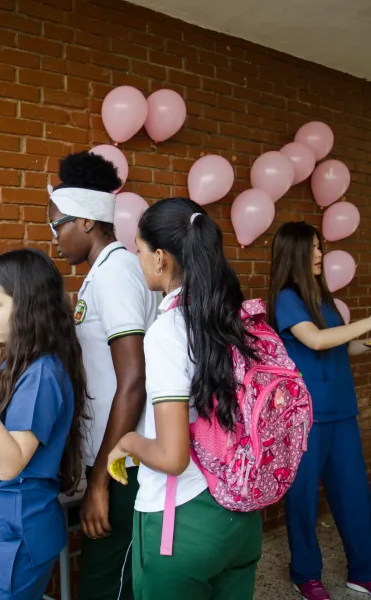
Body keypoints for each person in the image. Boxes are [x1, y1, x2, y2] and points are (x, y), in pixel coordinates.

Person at [107, 198, 263, 600]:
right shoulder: (235, 318)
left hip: (182, 525)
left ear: (160, 258)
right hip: (240, 516)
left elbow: (172, 457)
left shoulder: (169, 330)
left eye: (139, 250)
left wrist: (127, 442)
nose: (138, 260)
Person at [268, 221, 371, 600]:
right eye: (312, 247)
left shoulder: (323, 299)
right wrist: (368, 322)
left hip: (342, 412)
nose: (319, 254)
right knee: (303, 500)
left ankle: (364, 571)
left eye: (319, 246)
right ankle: (305, 573)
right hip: (306, 418)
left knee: (354, 495)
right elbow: (315, 340)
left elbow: (342, 347)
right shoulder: (286, 299)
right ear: (293, 252)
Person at [48, 151, 159, 600]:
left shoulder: (115, 274)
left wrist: (99, 481)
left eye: (58, 225)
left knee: (106, 584)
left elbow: (133, 379)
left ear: (88, 221)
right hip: (112, 460)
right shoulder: (103, 273)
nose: (54, 238)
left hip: (122, 465)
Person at [0, 249, 88, 600]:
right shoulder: (23, 358)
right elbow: (1, 413)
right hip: (4, 525)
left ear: (27, 306)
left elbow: (9, 463)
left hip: (14, 534)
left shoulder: (41, 374)